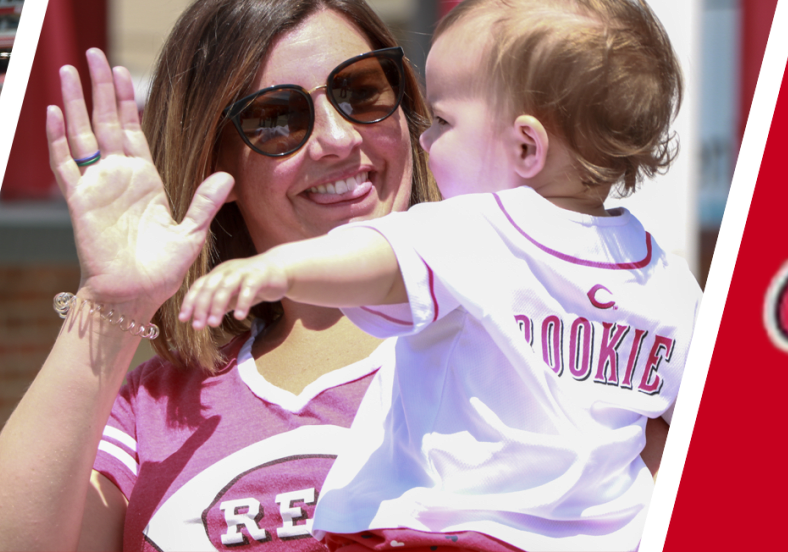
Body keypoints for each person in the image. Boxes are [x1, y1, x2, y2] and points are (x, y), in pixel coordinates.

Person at [178, 0, 696, 549]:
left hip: (442, 531)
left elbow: (375, 266)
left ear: (526, 146)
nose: (425, 138)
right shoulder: (668, 282)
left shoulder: (477, 227)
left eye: (445, 122)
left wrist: (277, 269)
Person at [0, 0, 461, 549]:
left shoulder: (505, 327)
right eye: (277, 118)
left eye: (361, 91)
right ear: (217, 163)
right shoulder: (156, 407)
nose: (338, 138)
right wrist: (117, 304)